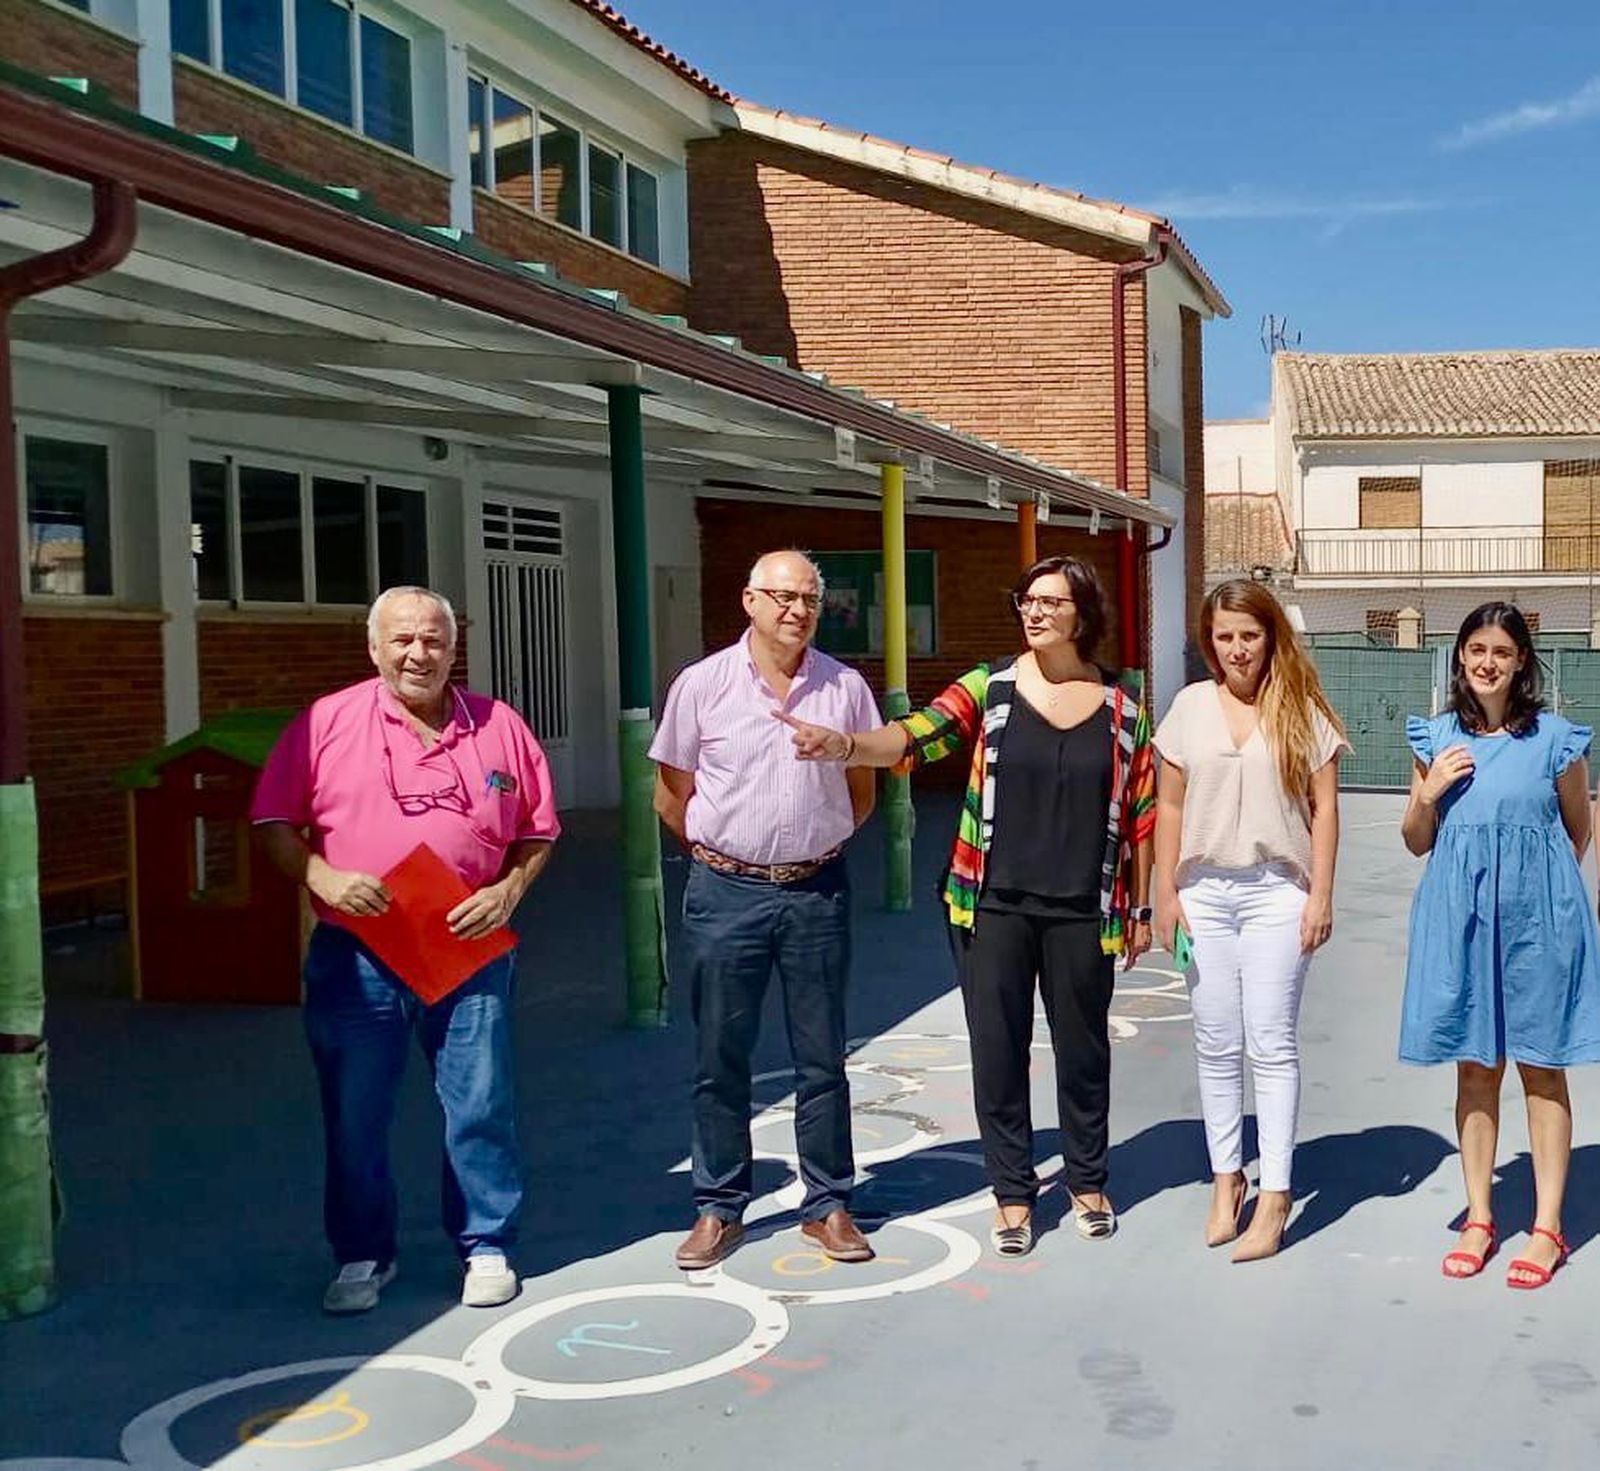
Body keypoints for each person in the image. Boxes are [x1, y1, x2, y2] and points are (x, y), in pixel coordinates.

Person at [781, 554, 1154, 1257]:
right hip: (991, 903)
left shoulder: (1121, 705)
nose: (1035, 612)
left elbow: (1141, 812)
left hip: (1083, 904)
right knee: (998, 1049)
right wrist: (848, 745)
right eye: (1027, 599)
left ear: (1083, 613)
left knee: (1083, 1050)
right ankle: (1012, 1192)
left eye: (1050, 601)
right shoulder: (991, 687)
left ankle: (1088, 1179)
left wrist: (1138, 909)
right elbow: (917, 734)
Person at [252, 586, 559, 1313]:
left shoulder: (499, 726)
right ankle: (362, 1252)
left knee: (481, 1101)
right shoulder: (325, 723)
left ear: (455, 649)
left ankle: (487, 1243)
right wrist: (320, 873)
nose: (418, 653)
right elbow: (272, 819)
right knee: (355, 1109)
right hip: (359, 952)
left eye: (433, 641)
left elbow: (538, 828)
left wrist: (510, 890)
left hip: (469, 946)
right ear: (374, 648)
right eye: (403, 641)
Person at [651, 550, 882, 1270]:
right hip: (727, 893)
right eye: (781, 596)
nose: (796, 610)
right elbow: (672, 791)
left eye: (809, 598)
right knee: (721, 1055)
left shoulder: (844, 687)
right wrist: (726, 860)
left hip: (816, 889)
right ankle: (719, 1206)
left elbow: (863, 790)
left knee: (823, 1055)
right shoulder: (702, 685)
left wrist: (814, 842)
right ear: (748, 599)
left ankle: (828, 1203)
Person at [1400, 601, 1600, 1289]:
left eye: (1502, 652)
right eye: (1476, 648)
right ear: (1460, 656)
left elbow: (1578, 829)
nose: (1488, 661)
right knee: (1476, 1067)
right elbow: (1415, 838)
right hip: (1461, 922)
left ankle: (1547, 1226)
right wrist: (1428, 792)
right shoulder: (1433, 737)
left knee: (1543, 1068)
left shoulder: (1556, 739)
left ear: (1521, 664)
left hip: (1540, 924)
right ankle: (1481, 1215)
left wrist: (1540, 898)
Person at [1152, 579, 1346, 1263]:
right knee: (1215, 1040)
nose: (1237, 648)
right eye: (1224, 636)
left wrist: (1320, 894)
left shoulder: (1301, 707)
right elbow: (1169, 806)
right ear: (1209, 641)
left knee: (1270, 1040)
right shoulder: (1188, 706)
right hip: (1202, 892)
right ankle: (1227, 1176)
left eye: (1249, 634)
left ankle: (1276, 1195)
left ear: (1271, 637)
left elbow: (1325, 809)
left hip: (1275, 892)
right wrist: (1164, 893)